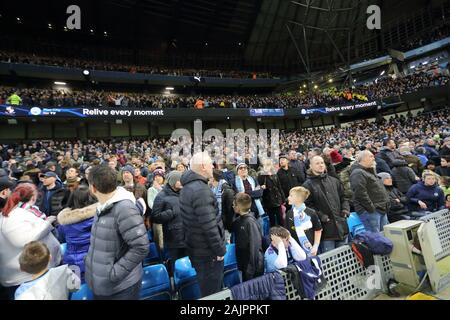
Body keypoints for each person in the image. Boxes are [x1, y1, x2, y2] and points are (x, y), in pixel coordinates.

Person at [85, 165, 149, 300]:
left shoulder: (124, 208)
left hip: (121, 287)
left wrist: (114, 273)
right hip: (103, 284)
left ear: (93, 188)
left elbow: (141, 246)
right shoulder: (102, 205)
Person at [0, 183, 61, 299]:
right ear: (33, 197)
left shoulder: (14, 212)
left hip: (26, 274)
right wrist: (47, 224)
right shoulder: (15, 215)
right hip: (26, 277)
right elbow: (22, 239)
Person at [179, 152, 226, 298]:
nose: (213, 166)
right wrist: (219, 250)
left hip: (198, 250)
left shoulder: (189, 187)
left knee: (208, 290)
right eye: (211, 163)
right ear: (203, 167)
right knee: (213, 294)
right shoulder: (200, 190)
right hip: (208, 254)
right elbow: (209, 226)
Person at [303, 156, 349, 253]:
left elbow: (343, 197)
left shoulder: (334, 180)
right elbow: (307, 206)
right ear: (310, 166)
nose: (320, 165)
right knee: (331, 262)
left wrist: (345, 210)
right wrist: (321, 216)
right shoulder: (307, 185)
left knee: (344, 259)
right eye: (317, 163)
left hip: (341, 226)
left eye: (322, 163)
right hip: (326, 231)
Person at [57, 185, 97, 283]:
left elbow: (61, 238)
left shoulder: (64, 221)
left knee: (75, 289)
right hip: (95, 260)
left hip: (72, 262)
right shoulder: (98, 217)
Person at [15, 241, 80, 300]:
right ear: (50, 258)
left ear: (23, 269)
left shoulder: (22, 292)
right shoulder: (64, 271)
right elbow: (75, 287)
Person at [151, 171, 186, 274]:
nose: (181, 182)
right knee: (176, 267)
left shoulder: (183, 192)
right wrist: (171, 212)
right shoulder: (161, 196)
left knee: (187, 265)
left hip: (187, 237)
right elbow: (155, 217)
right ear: (172, 182)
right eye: (179, 180)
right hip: (173, 239)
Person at [350, 151, 390, 232]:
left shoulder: (370, 171)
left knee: (385, 235)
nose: (373, 158)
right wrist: (371, 208)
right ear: (363, 159)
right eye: (371, 156)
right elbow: (360, 193)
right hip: (371, 211)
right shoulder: (358, 172)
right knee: (376, 238)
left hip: (380, 208)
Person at [232, 193, 264, 281]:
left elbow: (255, 246)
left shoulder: (250, 222)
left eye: (234, 204)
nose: (232, 206)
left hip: (253, 266)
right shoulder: (238, 221)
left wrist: (251, 268)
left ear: (238, 207)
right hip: (244, 263)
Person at [285, 187, 322, 256]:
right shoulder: (289, 213)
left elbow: (318, 230)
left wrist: (316, 246)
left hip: (311, 249)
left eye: (291, 196)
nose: (288, 198)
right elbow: (287, 232)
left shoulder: (311, 212)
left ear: (298, 199)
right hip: (296, 251)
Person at [235, 163, 265, 227]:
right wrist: (253, 193)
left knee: (260, 231)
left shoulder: (253, 179)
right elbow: (238, 196)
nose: (243, 169)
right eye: (241, 168)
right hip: (243, 212)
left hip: (256, 209)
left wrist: (245, 193)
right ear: (237, 171)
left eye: (245, 168)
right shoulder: (234, 182)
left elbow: (260, 193)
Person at [257, 159, 285, 227]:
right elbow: (259, 188)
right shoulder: (261, 176)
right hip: (268, 201)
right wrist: (261, 187)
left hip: (277, 200)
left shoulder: (274, 174)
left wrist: (283, 198)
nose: (266, 167)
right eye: (265, 165)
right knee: (272, 221)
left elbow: (279, 187)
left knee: (280, 219)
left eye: (268, 165)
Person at [210, 169, 235, 243]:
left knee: (226, 244)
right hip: (215, 222)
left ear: (213, 178)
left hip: (224, 224)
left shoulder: (226, 190)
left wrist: (228, 226)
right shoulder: (211, 188)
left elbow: (230, 211)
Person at [147, 168, 165, 250]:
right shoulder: (151, 189)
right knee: (160, 243)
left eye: (160, 176)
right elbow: (151, 204)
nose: (158, 178)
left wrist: (159, 189)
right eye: (156, 176)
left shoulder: (165, 188)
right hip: (157, 219)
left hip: (167, 218)